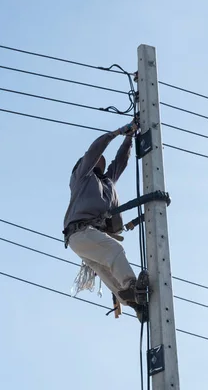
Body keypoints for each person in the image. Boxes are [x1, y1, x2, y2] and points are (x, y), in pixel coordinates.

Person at [63, 118, 148, 322]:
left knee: (107, 271)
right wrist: (118, 132)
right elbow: (95, 148)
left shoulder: (107, 183)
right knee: (114, 252)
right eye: (96, 159)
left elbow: (120, 162)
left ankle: (135, 304)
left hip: (87, 236)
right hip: (80, 232)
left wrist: (129, 138)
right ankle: (131, 286)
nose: (100, 159)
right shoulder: (82, 176)